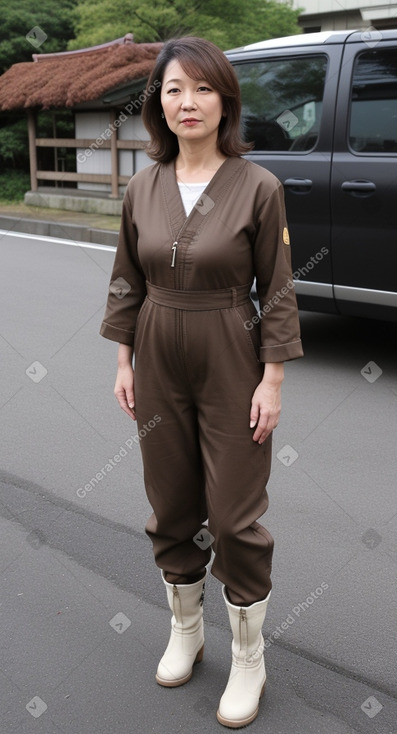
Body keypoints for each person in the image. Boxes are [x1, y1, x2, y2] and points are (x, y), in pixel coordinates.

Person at [100, 36, 303, 729]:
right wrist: (124, 359)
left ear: (225, 100)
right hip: (156, 345)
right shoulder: (143, 185)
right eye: (173, 90)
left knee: (235, 514)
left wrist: (270, 379)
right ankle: (186, 629)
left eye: (202, 88)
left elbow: (276, 291)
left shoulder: (258, 187)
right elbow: (126, 275)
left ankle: (248, 657)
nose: (187, 102)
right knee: (171, 502)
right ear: (158, 104)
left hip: (229, 348)